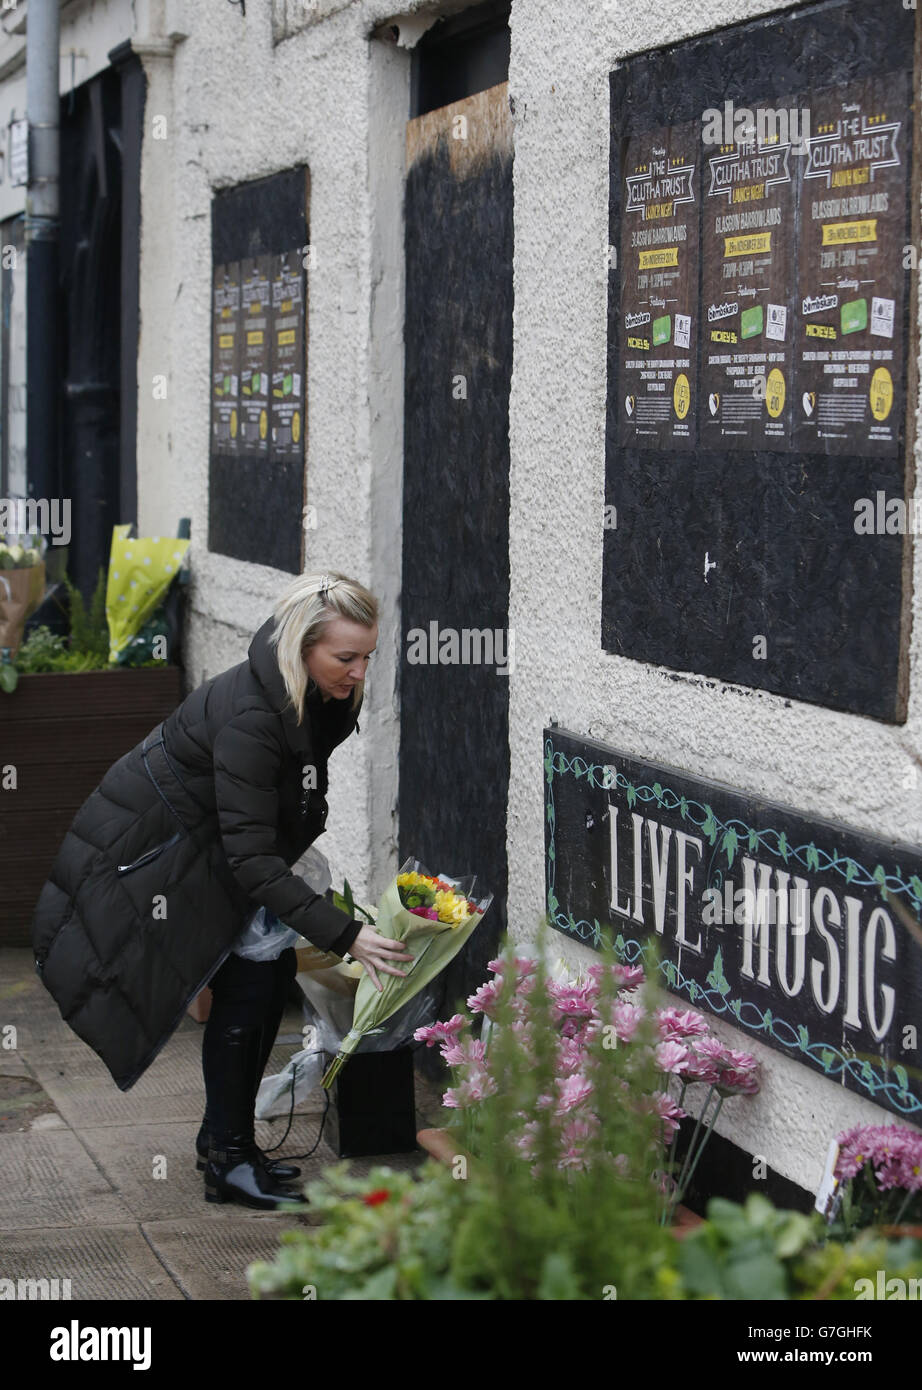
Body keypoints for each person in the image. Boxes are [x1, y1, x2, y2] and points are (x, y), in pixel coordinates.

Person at [31, 570, 413, 1210]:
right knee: (246, 988)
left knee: (263, 980)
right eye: (345, 657)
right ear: (301, 648)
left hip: (208, 849)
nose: (358, 673)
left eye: (368, 656)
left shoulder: (312, 696)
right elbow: (252, 862)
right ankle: (229, 1162)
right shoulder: (252, 719)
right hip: (157, 857)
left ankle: (224, 1140)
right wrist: (348, 936)